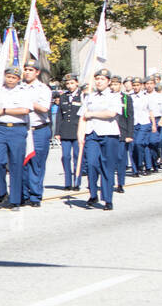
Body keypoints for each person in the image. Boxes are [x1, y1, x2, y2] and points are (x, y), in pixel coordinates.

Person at [0, 64, 30, 210]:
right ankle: (3, 192)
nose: (11, 80)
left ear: (18, 79)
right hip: (1, 128)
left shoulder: (24, 91)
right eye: (9, 77)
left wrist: (4, 111)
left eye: (14, 77)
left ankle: (15, 200)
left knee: (16, 165)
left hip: (17, 129)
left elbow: (25, 110)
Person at [78, 67, 122, 209]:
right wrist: (80, 135)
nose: (99, 81)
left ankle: (108, 199)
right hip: (92, 133)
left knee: (107, 167)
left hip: (109, 134)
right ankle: (93, 193)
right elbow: (82, 116)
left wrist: (93, 114)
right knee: (91, 164)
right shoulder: (89, 96)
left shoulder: (114, 96)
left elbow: (111, 113)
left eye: (102, 79)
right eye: (97, 79)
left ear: (108, 81)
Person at [21, 61, 52, 206]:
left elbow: (44, 108)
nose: (27, 72)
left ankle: (35, 195)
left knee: (36, 163)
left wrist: (29, 102)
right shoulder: (18, 87)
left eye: (31, 70)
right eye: (26, 69)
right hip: (23, 128)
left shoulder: (43, 89)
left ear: (37, 72)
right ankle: (23, 193)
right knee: (22, 162)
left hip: (38, 129)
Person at [51, 74, 83, 190]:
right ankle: (68, 182)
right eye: (68, 83)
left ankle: (77, 182)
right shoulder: (63, 97)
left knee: (76, 157)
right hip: (65, 131)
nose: (70, 86)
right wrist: (57, 131)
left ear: (77, 83)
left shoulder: (82, 96)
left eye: (72, 83)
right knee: (65, 157)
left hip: (77, 130)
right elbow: (59, 115)